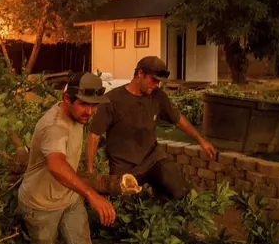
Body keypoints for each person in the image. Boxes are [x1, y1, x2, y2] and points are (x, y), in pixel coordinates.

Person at [16, 71, 115, 244]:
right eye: (84, 105)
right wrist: (91, 194)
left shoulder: (77, 115)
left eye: (94, 106)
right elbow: (56, 163)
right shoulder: (54, 126)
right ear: (67, 98)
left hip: (69, 199)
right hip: (40, 204)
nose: (89, 112)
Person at [86, 56, 217, 199]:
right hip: (123, 166)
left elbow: (178, 120)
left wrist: (200, 140)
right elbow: (94, 135)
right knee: (125, 210)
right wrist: (90, 171)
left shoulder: (158, 96)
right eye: (154, 80)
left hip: (153, 159)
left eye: (159, 82)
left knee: (179, 190)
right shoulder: (112, 100)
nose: (156, 85)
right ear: (140, 74)